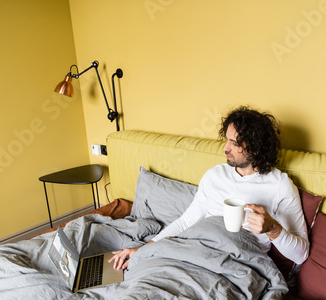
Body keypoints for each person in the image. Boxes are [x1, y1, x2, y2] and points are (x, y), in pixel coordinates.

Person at [109, 106, 309, 270]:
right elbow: (186, 221)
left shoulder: (279, 186)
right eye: (226, 140)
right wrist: (144, 249)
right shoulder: (215, 175)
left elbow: (301, 255)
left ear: (255, 147)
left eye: (234, 142)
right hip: (196, 254)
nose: (225, 148)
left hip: (236, 264)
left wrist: (273, 230)